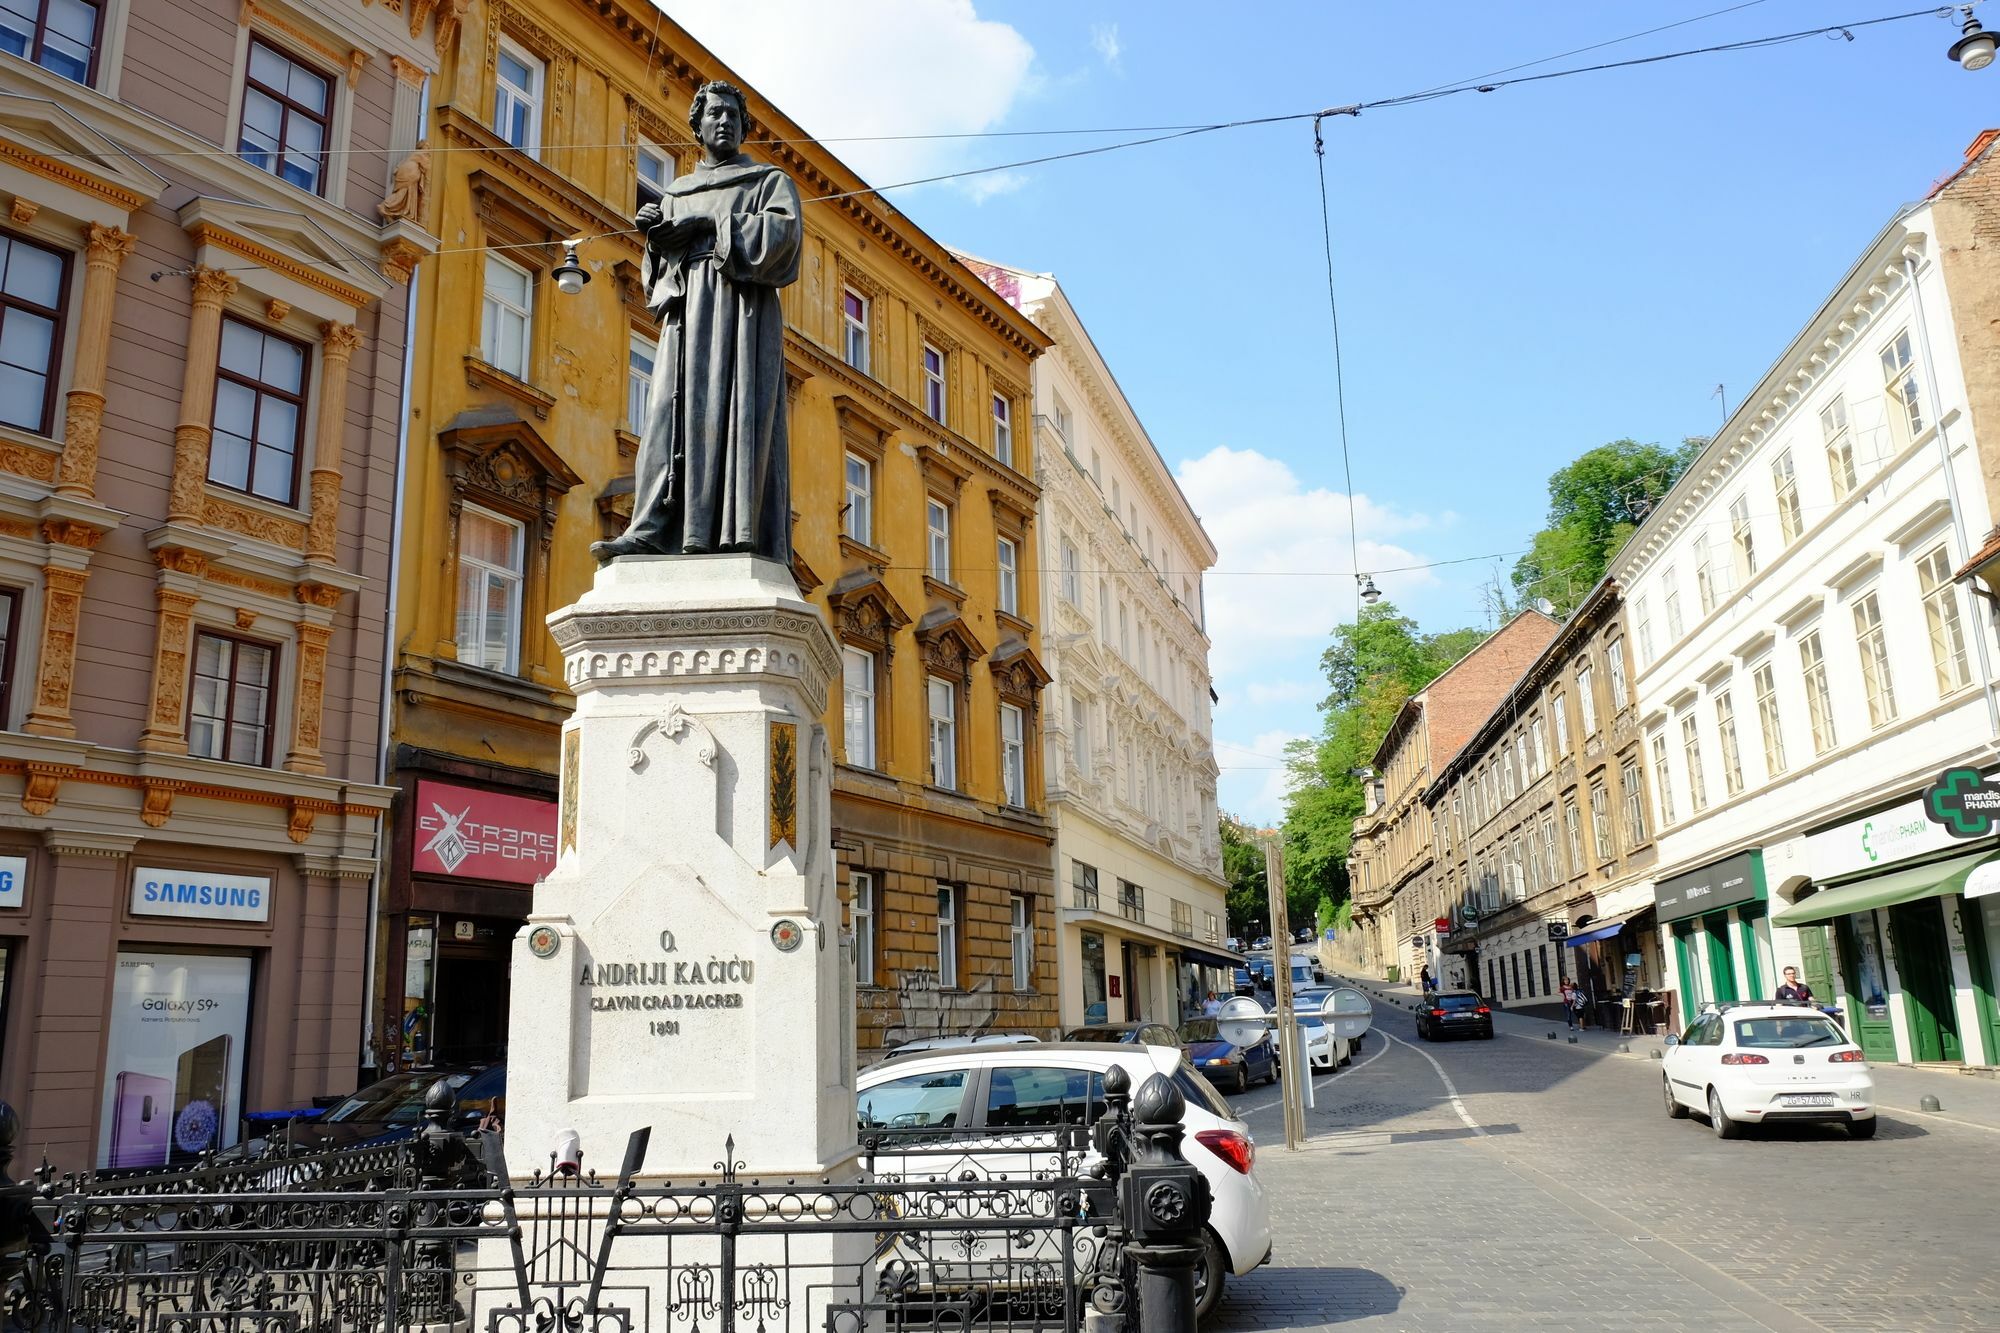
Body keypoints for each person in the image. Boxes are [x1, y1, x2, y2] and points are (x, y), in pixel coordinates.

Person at [593, 80, 802, 564]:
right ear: (698, 126)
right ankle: (650, 528)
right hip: (686, 314)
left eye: (733, 115)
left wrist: (709, 225)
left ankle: (733, 532)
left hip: (741, 312)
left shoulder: (767, 182)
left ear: (744, 127)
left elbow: (784, 239)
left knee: (735, 412)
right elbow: (655, 281)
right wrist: (658, 237)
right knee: (668, 413)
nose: (724, 121)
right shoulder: (678, 192)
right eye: (715, 114)